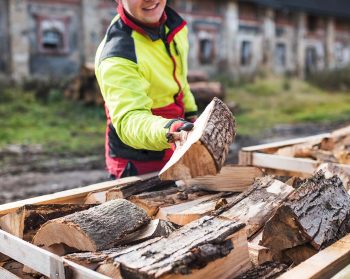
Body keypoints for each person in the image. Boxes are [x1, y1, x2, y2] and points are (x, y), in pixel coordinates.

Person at [95, 0, 198, 179]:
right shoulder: (117, 55)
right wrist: (170, 130)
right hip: (137, 164)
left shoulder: (175, 25)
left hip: (175, 144)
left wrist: (191, 114)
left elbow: (180, 79)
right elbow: (129, 120)